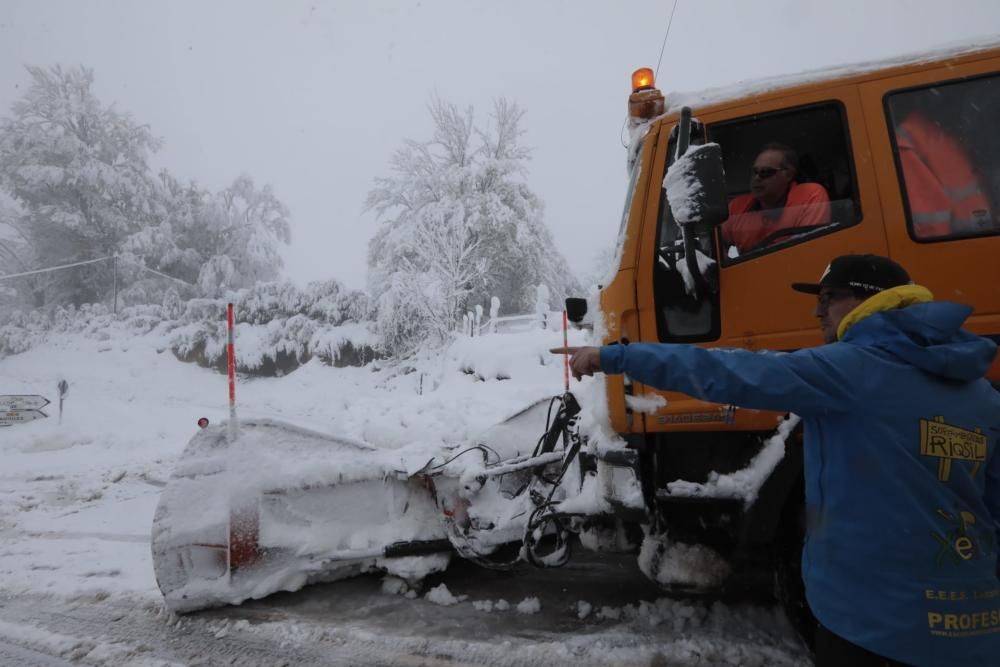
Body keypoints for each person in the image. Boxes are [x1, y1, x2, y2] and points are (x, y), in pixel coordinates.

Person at [553, 254, 1000, 667]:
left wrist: (615, 355)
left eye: (828, 299)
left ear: (871, 299)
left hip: (873, 630)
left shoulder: (848, 370)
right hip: (974, 628)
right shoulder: (980, 393)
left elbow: (723, 371)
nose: (818, 312)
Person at [895, 110, 993, 239]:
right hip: (970, 237)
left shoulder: (909, 139)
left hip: (966, 239)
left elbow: (930, 218)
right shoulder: (931, 131)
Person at [720, 143, 831, 254]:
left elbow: (810, 250)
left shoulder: (810, 194)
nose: (757, 178)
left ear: (788, 175)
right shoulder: (736, 207)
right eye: (754, 172)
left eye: (766, 172)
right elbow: (715, 246)